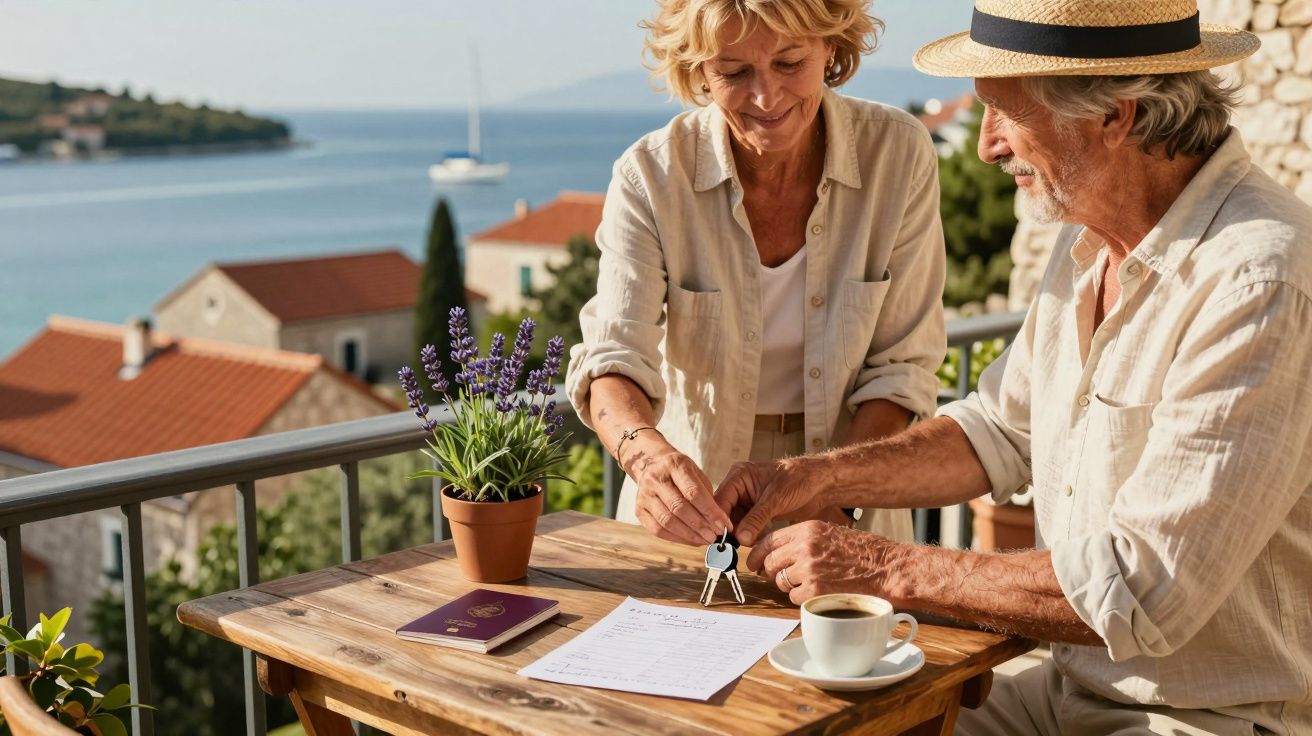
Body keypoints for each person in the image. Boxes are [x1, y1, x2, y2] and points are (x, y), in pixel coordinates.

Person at [717, 1, 1312, 733]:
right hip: (1065, 691)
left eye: (1004, 113)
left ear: (1114, 116)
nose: (986, 148)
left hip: (1208, 715)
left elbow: (1143, 588)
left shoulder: (1260, 281)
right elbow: (998, 431)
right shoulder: (1087, 240)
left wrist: (879, 569)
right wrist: (819, 477)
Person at [565, 0, 946, 546]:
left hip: (850, 496)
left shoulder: (899, 153)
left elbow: (902, 368)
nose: (766, 98)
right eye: (734, 72)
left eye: (790, 64)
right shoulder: (650, 176)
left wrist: (836, 499)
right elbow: (613, 358)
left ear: (831, 48)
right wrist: (646, 460)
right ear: (699, 72)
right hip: (694, 509)